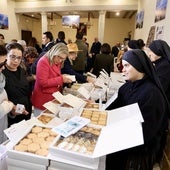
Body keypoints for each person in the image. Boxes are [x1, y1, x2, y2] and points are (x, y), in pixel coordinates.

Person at [106, 49, 169, 170]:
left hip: (137, 149)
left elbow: (146, 132)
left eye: (126, 65)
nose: (122, 70)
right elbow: (111, 109)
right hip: (120, 137)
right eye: (122, 66)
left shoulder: (152, 94)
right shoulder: (126, 86)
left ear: (138, 65)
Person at [31, 43, 72, 116]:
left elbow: (54, 76)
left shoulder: (57, 61)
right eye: (59, 57)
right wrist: (61, 79)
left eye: (63, 59)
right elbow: (43, 82)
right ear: (54, 52)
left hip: (53, 97)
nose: (60, 60)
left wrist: (64, 78)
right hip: (43, 99)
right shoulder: (43, 61)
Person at [2, 42, 32, 127]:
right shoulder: (2, 73)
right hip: (10, 117)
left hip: (25, 112)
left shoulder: (21, 70)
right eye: (12, 57)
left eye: (19, 58)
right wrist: (12, 109)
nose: (16, 61)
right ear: (6, 56)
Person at [0, 45, 15, 143]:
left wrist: (11, 109)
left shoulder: (1, 78)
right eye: (0, 64)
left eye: (4, 63)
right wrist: (8, 106)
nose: (3, 67)